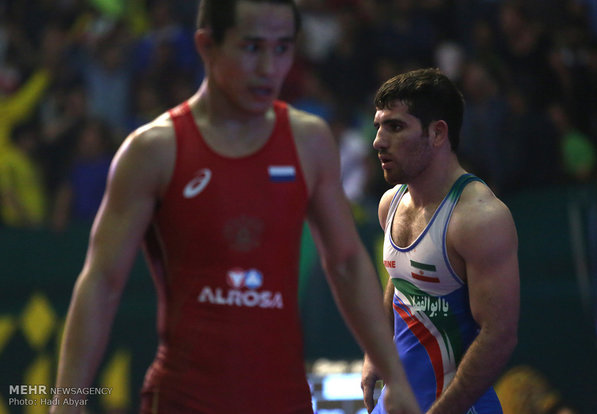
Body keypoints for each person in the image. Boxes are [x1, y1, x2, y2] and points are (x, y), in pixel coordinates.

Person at [52, 1, 420, 413]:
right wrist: (66, 400)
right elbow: (102, 280)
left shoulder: (309, 142)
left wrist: (395, 377)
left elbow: (348, 262)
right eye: (251, 47)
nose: (269, 66)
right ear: (207, 46)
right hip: (183, 399)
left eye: (282, 48)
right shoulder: (153, 150)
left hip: (283, 399)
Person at [361, 68, 520, 414]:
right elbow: (399, 280)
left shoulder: (480, 217)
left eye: (396, 126)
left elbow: (498, 336)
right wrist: (377, 352)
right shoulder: (390, 203)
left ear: (437, 133)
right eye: (378, 126)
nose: (378, 141)